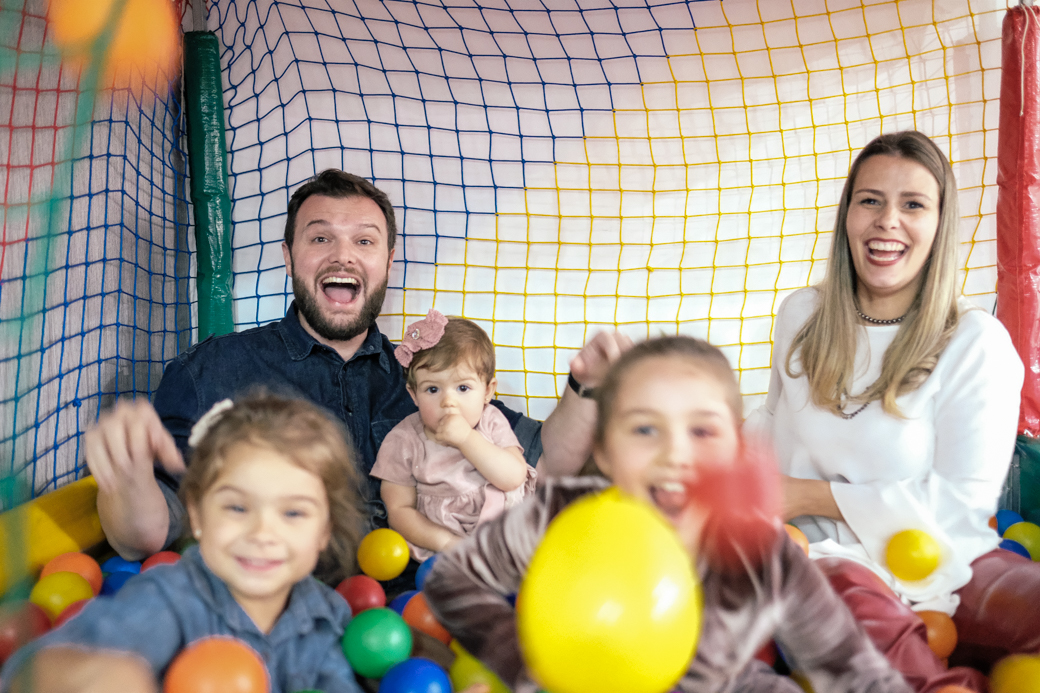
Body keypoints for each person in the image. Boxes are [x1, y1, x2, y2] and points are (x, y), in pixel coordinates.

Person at [84, 169, 631, 561]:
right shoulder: (215, 369)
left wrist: (587, 388)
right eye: (320, 237)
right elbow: (144, 537)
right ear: (290, 254)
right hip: (278, 604)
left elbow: (547, 461)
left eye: (364, 241)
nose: (342, 256)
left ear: (387, 260)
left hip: (423, 597)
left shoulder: (431, 377)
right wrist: (127, 474)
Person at [423, 336, 913, 693]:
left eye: (702, 431)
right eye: (644, 430)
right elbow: (452, 580)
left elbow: (851, 667)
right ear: (606, 450)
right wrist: (528, 666)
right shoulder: (562, 513)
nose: (675, 454)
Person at [746, 130, 1034, 691]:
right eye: (870, 200)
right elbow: (769, 429)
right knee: (871, 644)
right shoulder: (801, 317)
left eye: (913, 204)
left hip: (946, 557)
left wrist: (806, 493)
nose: (887, 221)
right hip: (828, 560)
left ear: (939, 223)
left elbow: (959, 504)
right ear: (848, 213)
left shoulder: (976, 342)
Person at [3, 394, 366, 693]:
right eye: (237, 507)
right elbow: (27, 674)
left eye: (293, 514)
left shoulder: (324, 615)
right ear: (197, 516)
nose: (262, 533)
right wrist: (106, 677)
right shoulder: (168, 600)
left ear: (324, 532)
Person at [371, 310, 536, 560]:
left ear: (488, 391)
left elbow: (513, 477)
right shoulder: (404, 440)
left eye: (462, 388)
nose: (449, 401)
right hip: (442, 544)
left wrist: (466, 439)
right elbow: (399, 509)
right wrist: (447, 542)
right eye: (433, 389)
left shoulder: (490, 421)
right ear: (414, 394)